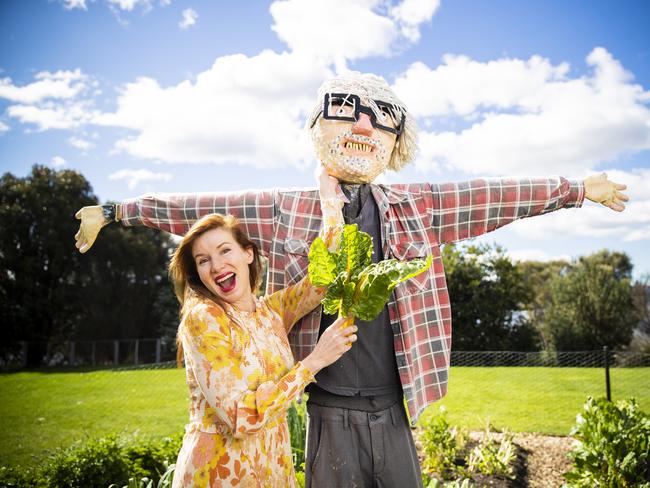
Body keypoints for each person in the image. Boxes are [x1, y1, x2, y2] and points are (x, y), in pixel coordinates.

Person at [75, 72, 629, 487]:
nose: (363, 125)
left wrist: (577, 189)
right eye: (347, 110)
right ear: (323, 127)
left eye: (380, 115)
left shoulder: (419, 206)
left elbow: (497, 195)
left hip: (394, 405)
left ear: (395, 137)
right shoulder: (284, 210)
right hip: (327, 408)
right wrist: (117, 212)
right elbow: (199, 210)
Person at [167, 169, 355, 487]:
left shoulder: (271, 311)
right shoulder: (204, 319)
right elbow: (242, 417)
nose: (216, 265)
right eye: (203, 260)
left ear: (248, 254)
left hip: (272, 470)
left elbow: (323, 279)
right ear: (198, 273)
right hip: (218, 475)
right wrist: (315, 361)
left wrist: (329, 201)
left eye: (225, 250)